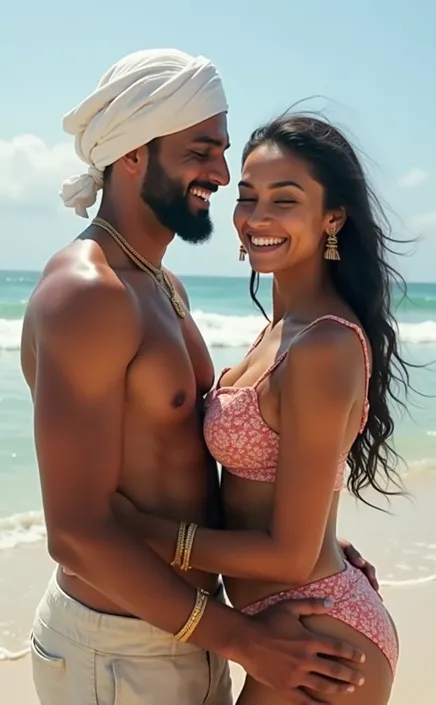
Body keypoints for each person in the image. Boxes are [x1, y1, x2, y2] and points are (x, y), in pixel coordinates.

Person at [21, 49, 375, 705]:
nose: (220, 172)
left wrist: (313, 543)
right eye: (201, 150)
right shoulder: (87, 294)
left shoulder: (160, 286)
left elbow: (178, 464)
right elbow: (73, 529)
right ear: (133, 154)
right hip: (118, 648)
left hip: (191, 631)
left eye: (222, 151)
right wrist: (243, 639)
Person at [111, 112, 410, 705]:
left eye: (284, 199)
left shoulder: (322, 345)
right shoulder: (284, 328)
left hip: (319, 643)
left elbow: (291, 553)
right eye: (247, 197)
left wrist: (141, 530)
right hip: (287, 626)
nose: (257, 218)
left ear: (333, 217)